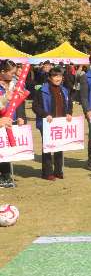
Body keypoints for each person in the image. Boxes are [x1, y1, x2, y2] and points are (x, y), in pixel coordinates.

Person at [32, 67, 74, 181]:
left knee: (59, 147)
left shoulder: (64, 90)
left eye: (60, 76)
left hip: (60, 123)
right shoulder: (42, 90)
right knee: (48, 148)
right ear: (50, 78)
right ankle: (47, 173)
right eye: (55, 76)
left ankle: (58, 171)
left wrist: (69, 113)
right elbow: (35, 106)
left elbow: (69, 104)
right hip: (47, 123)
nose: (58, 78)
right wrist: (45, 114)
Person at [0, 60, 27, 188]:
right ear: (2, 72)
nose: (14, 75)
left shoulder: (13, 84)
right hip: (2, 121)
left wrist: (20, 116)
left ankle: (6, 176)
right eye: (11, 73)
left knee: (6, 151)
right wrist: (6, 98)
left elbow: (18, 103)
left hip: (9, 121)